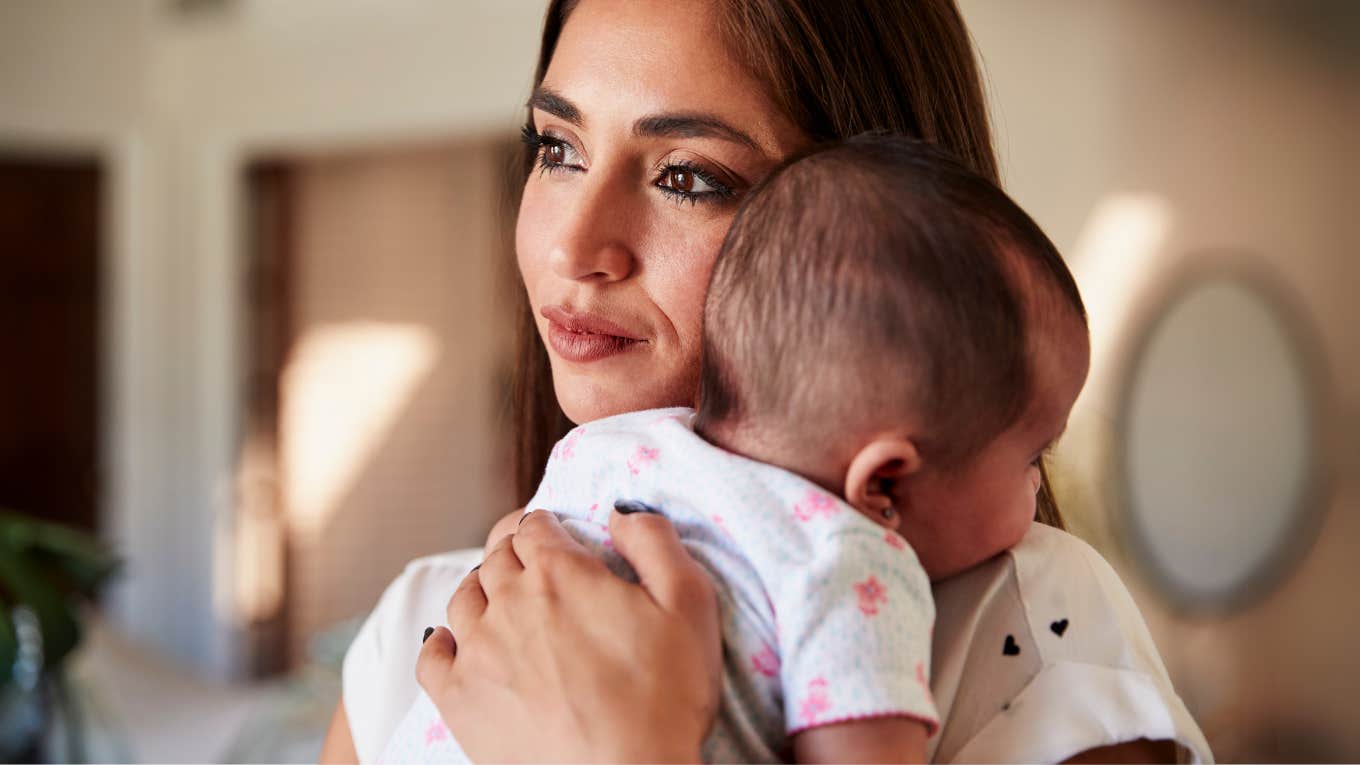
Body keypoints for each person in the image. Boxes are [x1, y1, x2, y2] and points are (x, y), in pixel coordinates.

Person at [323, 1, 1212, 762]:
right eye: (556, 149)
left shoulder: (1039, 631)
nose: (572, 247)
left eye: (687, 176)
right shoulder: (415, 628)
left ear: (883, 240)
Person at [380, 135, 1088, 763]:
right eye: (1032, 456)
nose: (572, 247)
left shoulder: (609, 449)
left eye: (686, 177)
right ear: (885, 485)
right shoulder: (853, 564)